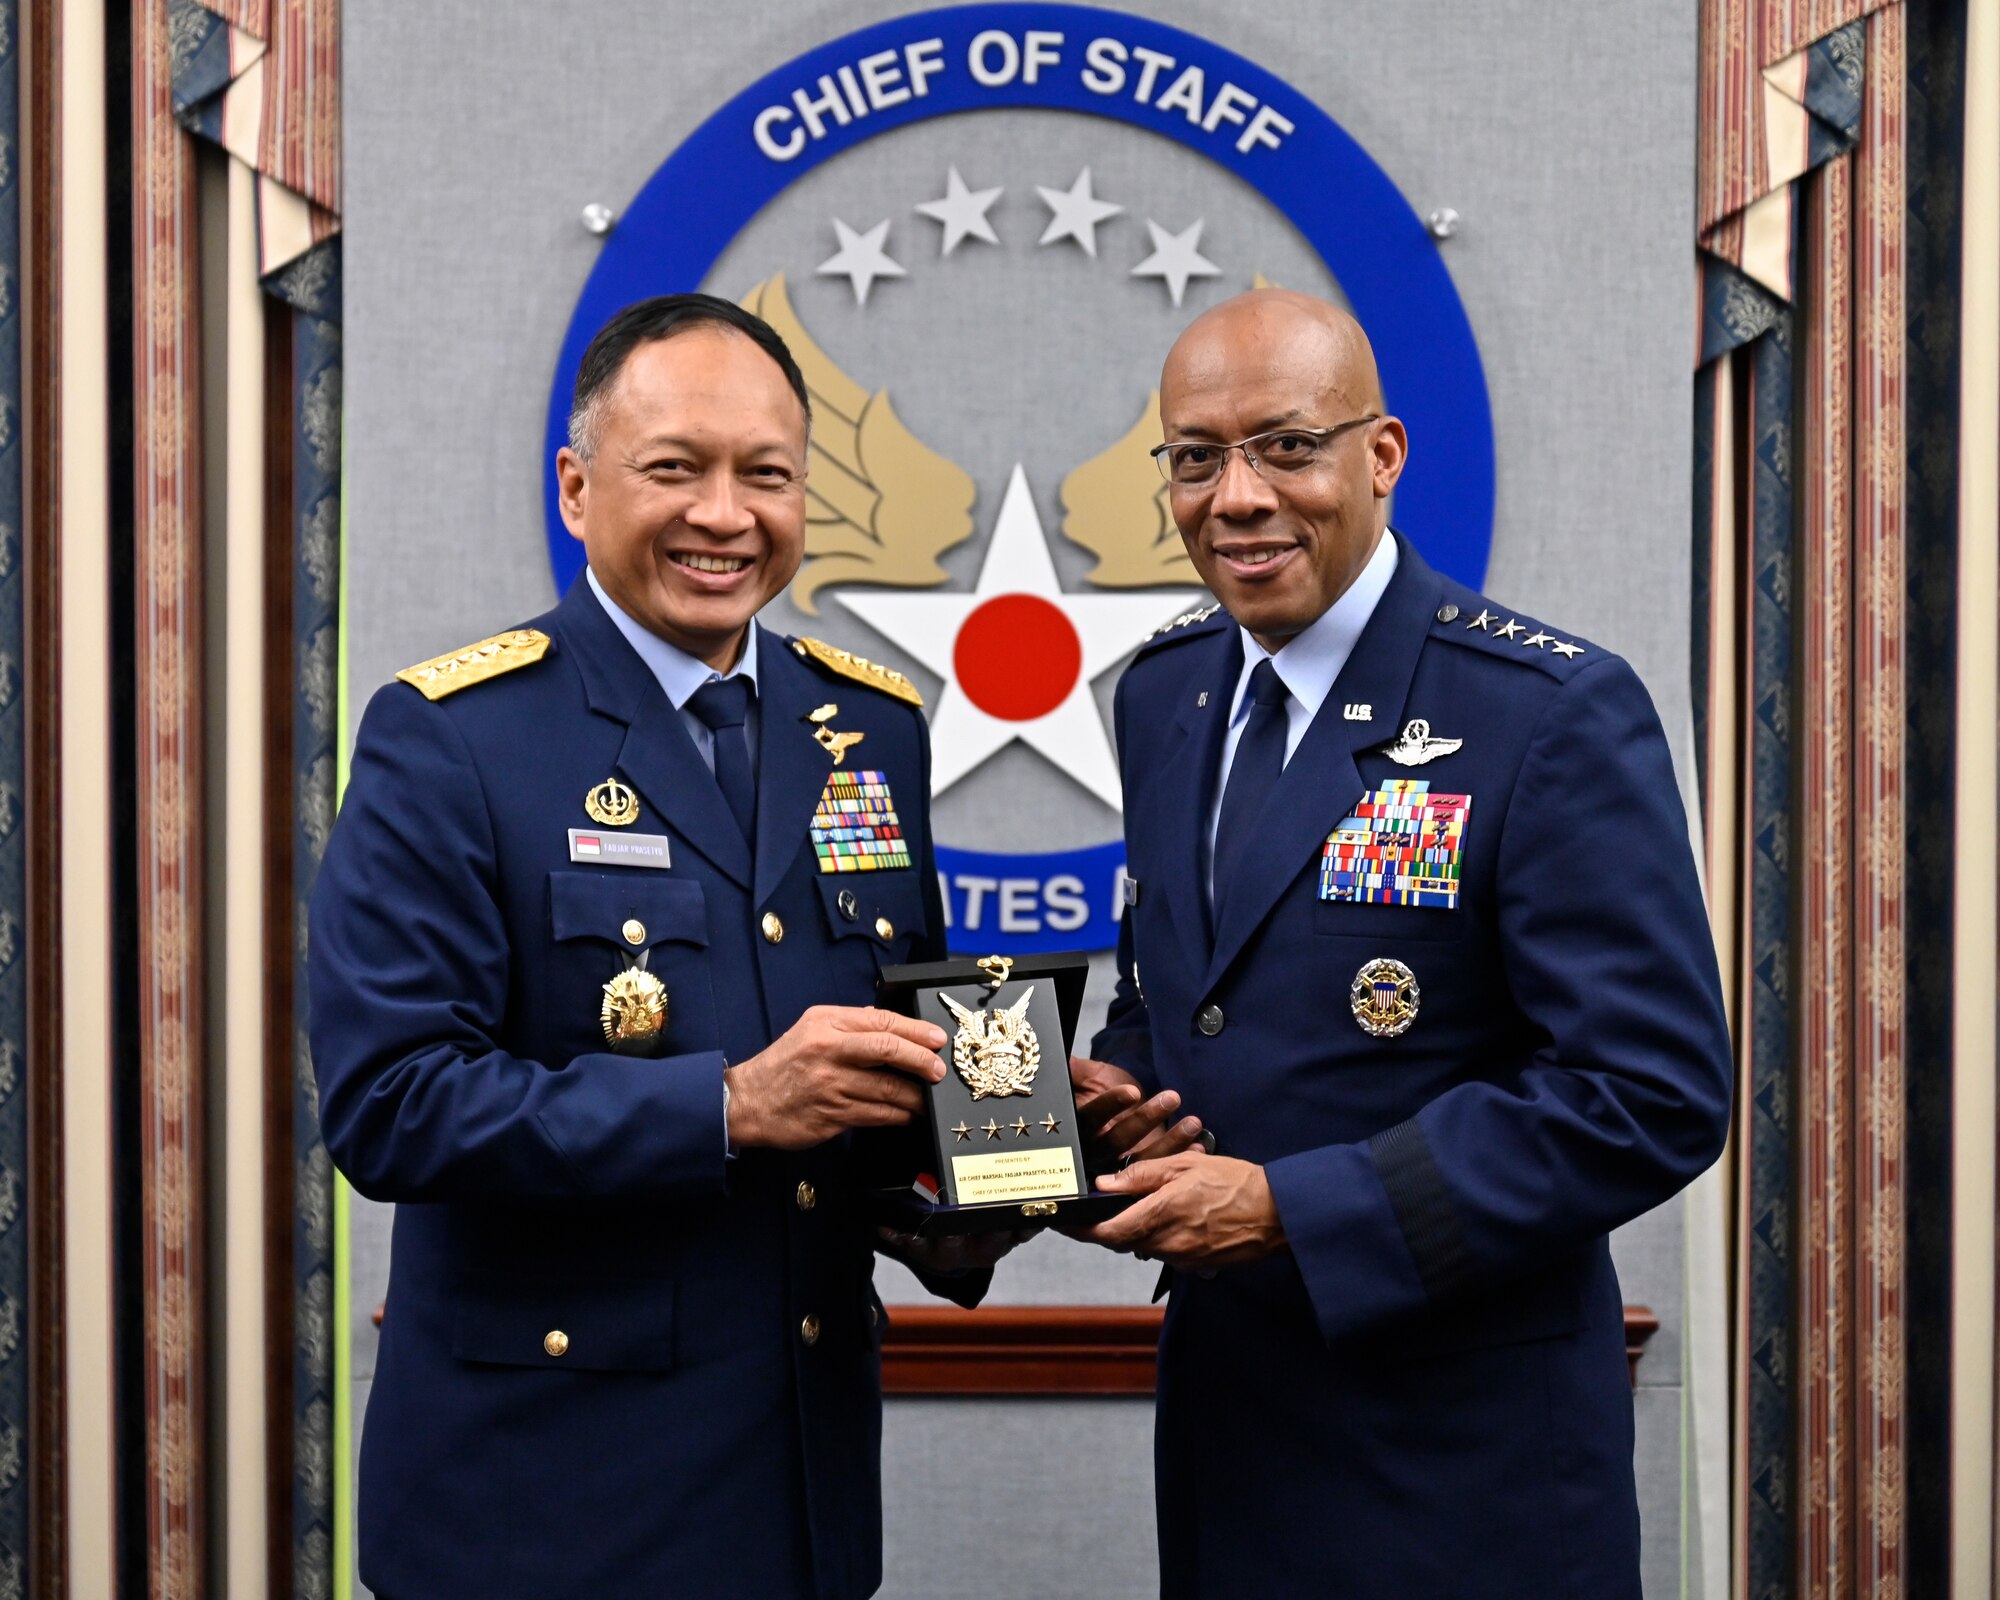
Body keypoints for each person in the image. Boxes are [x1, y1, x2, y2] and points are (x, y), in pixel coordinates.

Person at [311, 294, 1008, 1599]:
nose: (725, 516)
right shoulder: (453, 736)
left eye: (768, 475)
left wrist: (971, 1177)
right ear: (578, 490)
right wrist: (733, 1105)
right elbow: (389, 1108)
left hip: (796, 1494)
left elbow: (888, 1043)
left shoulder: (868, 731)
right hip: (548, 1503)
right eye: (675, 469)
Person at [1074, 289, 1733, 1598]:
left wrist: (1290, 1209)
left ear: (1381, 456)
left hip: (1462, 1469)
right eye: (1196, 458)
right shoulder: (1164, 693)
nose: (1238, 496)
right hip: (1234, 1437)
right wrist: (1121, 1097)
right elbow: (1187, 1001)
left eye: (1286, 445)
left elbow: (1652, 1096)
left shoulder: (1544, 712)